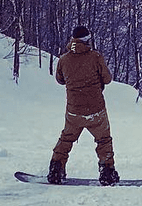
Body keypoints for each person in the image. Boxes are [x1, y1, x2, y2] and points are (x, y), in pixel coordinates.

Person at [47, 25, 120, 186]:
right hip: (96, 110)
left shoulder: (64, 59)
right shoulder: (95, 57)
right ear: (87, 40)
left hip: (74, 111)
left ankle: (55, 169)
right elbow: (107, 79)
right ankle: (107, 172)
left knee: (66, 139)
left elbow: (60, 80)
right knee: (103, 140)